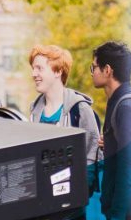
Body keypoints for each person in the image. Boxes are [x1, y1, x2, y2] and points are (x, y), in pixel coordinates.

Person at [91, 41, 131, 220]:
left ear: (107, 70)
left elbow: (130, 169)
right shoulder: (119, 103)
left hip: (129, 216)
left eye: (94, 67)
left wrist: (118, 217)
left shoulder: (126, 107)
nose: (92, 73)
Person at [29, 44, 101, 192]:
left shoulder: (80, 109)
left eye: (39, 68)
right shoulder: (34, 111)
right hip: (43, 195)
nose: (33, 74)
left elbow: (92, 155)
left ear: (58, 71)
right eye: (33, 68)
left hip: (73, 196)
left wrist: (81, 191)